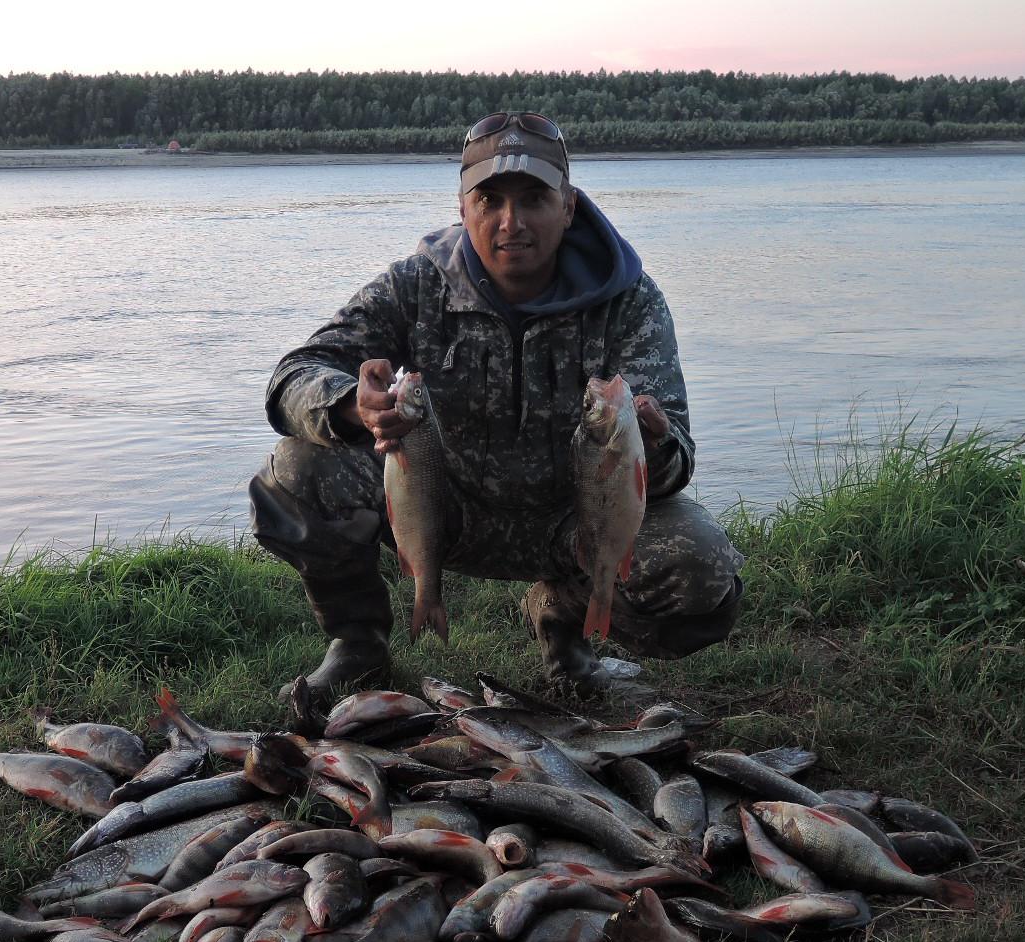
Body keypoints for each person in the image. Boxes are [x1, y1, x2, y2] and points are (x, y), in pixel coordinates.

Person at [249, 112, 744, 701]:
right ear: (464, 208)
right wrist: (351, 407)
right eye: (491, 200)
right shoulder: (415, 286)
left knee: (701, 575)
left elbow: (677, 462)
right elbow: (293, 376)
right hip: (438, 508)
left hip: (576, 522)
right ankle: (358, 645)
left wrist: (654, 446)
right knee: (295, 471)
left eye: (534, 199)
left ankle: (562, 617)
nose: (512, 222)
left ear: (568, 207)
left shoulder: (629, 302)